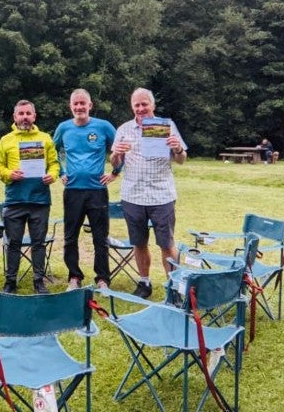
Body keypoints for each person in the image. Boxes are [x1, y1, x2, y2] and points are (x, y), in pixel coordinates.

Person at [110, 88, 187, 299]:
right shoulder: (124, 129)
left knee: (167, 243)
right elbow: (115, 163)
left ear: (152, 105)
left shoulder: (167, 125)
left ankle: (175, 287)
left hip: (161, 195)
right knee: (139, 242)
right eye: (137, 105)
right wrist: (117, 153)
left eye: (145, 104)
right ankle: (144, 283)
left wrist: (178, 148)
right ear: (132, 106)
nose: (141, 108)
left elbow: (181, 160)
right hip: (133, 195)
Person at [53, 89, 118, 292]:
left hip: (97, 190)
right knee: (70, 236)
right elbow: (50, 151)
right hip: (72, 190)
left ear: (90, 105)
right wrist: (60, 172)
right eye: (76, 103)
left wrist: (115, 172)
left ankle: (102, 279)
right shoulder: (63, 128)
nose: (79, 107)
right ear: (70, 106)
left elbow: (120, 148)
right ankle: (74, 277)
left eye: (83, 103)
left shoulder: (103, 126)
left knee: (100, 237)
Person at [0, 99, 60, 294]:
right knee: (13, 242)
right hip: (15, 199)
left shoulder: (45, 138)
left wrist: (53, 174)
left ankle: (38, 281)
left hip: (39, 200)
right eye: (21, 114)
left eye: (28, 113)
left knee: (38, 243)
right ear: (14, 117)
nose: (25, 117)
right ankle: (10, 281)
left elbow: (54, 163)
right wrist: (9, 174)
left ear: (34, 116)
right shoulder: (6, 140)